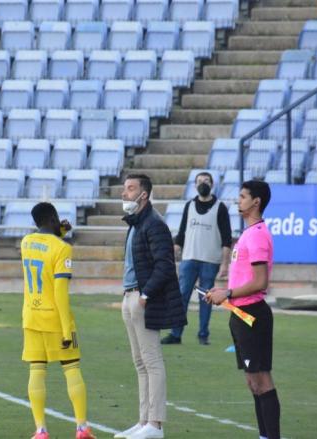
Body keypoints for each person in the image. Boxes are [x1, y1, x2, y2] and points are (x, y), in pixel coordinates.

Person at [205, 180, 281, 439]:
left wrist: (226, 293)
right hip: (239, 314)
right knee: (252, 382)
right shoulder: (249, 233)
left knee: (261, 380)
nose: (238, 201)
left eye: (243, 196)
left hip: (253, 316)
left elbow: (260, 282)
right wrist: (222, 294)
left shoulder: (258, 235)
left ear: (256, 202)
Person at [114, 174, 187, 439]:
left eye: (130, 189)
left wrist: (145, 295)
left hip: (142, 299)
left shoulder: (154, 224)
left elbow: (165, 265)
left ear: (144, 194)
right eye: (125, 188)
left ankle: (155, 424)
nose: (125, 193)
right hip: (130, 296)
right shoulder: (136, 223)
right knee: (140, 362)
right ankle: (144, 419)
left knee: (152, 360)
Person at [20, 202, 95, 439]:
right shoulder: (63, 249)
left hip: (31, 316)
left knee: (37, 370)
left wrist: (59, 231)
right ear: (53, 218)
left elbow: (45, 244)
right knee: (71, 369)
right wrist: (66, 329)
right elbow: (60, 293)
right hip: (55, 319)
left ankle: (41, 430)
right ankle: (82, 428)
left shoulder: (26, 242)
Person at [161, 171, 232, 346]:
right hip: (189, 258)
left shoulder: (220, 208)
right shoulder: (189, 205)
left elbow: (226, 239)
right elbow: (182, 231)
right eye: (199, 181)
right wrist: (176, 247)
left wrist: (225, 263)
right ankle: (176, 334)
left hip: (210, 260)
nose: (203, 183)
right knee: (181, 296)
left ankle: (203, 334)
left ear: (212, 184)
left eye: (206, 180)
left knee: (206, 299)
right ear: (195, 185)